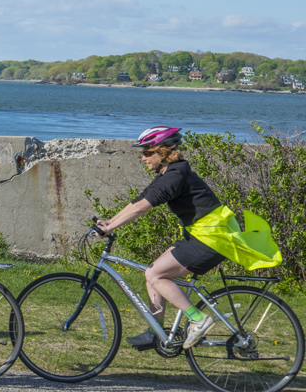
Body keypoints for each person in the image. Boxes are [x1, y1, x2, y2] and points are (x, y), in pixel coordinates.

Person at [95, 126, 235, 350]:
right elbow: (139, 200)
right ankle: (155, 332)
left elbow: (142, 208)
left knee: (155, 274)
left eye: (147, 152)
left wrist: (110, 228)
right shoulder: (170, 173)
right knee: (152, 271)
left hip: (213, 239)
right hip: (201, 236)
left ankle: (198, 319)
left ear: (162, 150)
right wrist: (109, 223)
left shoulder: (176, 175)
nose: (143, 158)